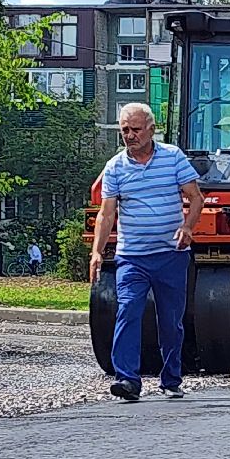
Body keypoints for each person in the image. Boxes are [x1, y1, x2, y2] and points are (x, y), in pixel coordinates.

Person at [88, 102, 204, 401]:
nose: (130, 135)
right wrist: (98, 251)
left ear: (151, 129)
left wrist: (188, 227)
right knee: (127, 311)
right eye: (124, 130)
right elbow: (107, 213)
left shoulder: (173, 158)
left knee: (170, 320)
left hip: (171, 255)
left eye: (136, 129)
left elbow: (195, 197)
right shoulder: (115, 167)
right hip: (132, 257)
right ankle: (127, 380)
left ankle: (171, 379)